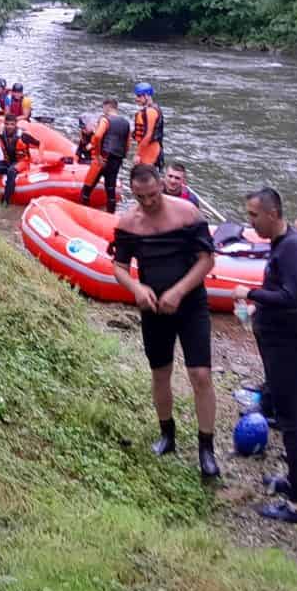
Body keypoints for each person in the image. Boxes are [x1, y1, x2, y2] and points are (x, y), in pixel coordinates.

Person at [111, 164, 221, 479]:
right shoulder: (129, 223)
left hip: (190, 303)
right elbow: (119, 266)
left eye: (153, 194)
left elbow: (206, 260)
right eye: (141, 196)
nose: (148, 202)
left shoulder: (188, 214)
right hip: (153, 306)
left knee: (200, 374)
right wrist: (136, 287)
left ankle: (206, 448)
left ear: (162, 185)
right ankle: (167, 434)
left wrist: (179, 291)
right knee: (161, 372)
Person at [232, 186, 297, 524]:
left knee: (292, 423)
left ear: (272, 213)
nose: (250, 223)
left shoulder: (293, 247)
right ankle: (293, 482)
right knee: (285, 416)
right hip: (278, 341)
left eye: (254, 215)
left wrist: (251, 293)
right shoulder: (284, 244)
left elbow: (293, 298)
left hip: (289, 346)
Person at [80, 98, 131, 212]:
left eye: (103, 107)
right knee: (110, 190)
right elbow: (127, 143)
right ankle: (110, 217)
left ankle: (83, 213)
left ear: (108, 106)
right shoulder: (126, 123)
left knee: (86, 189)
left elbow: (97, 136)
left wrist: (97, 155)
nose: (103, 110)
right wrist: (122, 155)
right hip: (116, 160)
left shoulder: (105, 120)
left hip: (102, 158)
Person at [0, 114, 41, 204]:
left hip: (22, 162)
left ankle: (5, 202)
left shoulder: (23, 136)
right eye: (7, 124)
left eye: (12, 124)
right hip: (8, 162)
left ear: (15, 125)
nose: (9, 127)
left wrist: (40, 157)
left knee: (11, 171)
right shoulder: (1, 134)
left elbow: (40, 144)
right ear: (4, 124)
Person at [131, 82, 164, 169]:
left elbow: (148, 135)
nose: (136, 98)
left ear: (147, 96)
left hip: (150, 151)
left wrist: (138, 154)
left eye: (139, 96)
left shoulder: (150, 111)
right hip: (147, 149)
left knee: (144, 176)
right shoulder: (149, 110)